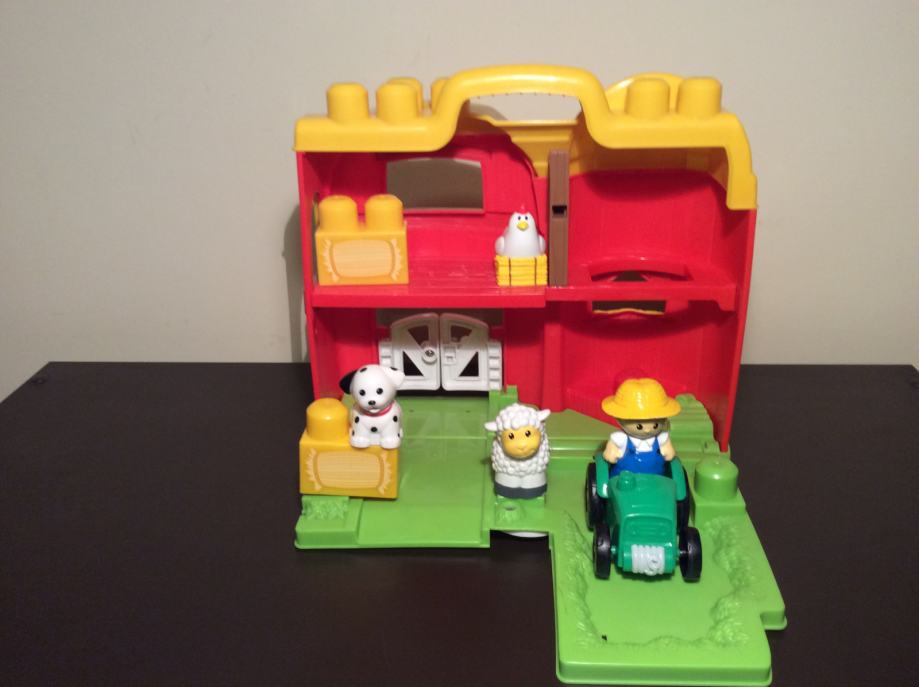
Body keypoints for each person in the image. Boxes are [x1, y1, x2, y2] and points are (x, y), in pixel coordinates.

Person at [600, 378, 681, 476]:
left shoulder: (661, 438)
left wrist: (668, 450)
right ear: (620, 421)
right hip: (624, 479)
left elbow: (668, 450)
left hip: (657, 479)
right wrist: (611, 451)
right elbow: (611, 450)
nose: (647, 430)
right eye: (639, 426)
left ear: (664, 420)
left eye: (655, 425)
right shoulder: (621, 438)